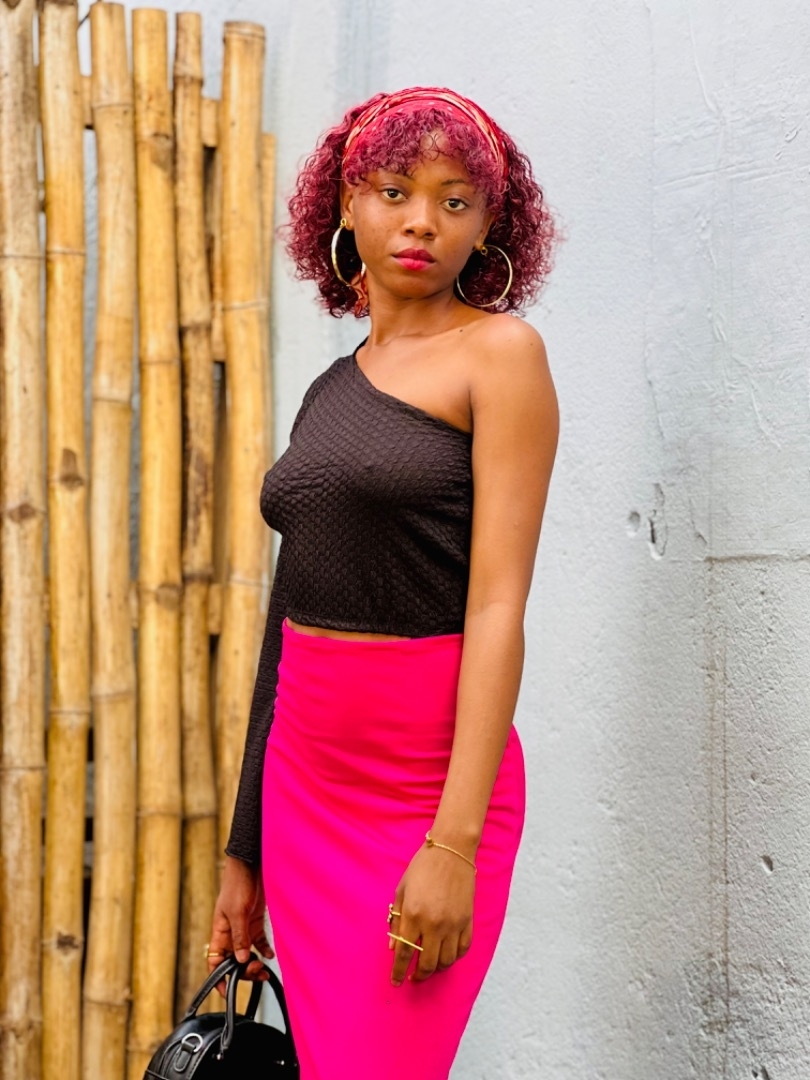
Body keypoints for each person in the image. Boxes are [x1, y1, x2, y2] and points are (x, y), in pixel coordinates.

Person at [206, 86, 561, 1079]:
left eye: (456, 200)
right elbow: (284, 622)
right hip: (303, 787)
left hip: (424, 788)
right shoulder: (329, 391)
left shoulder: (501, 356)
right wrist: (245, 848)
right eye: (395, 190)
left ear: (490, 226)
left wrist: (453, 845)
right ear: (345, 207)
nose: (421, 221)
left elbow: (498, 606)